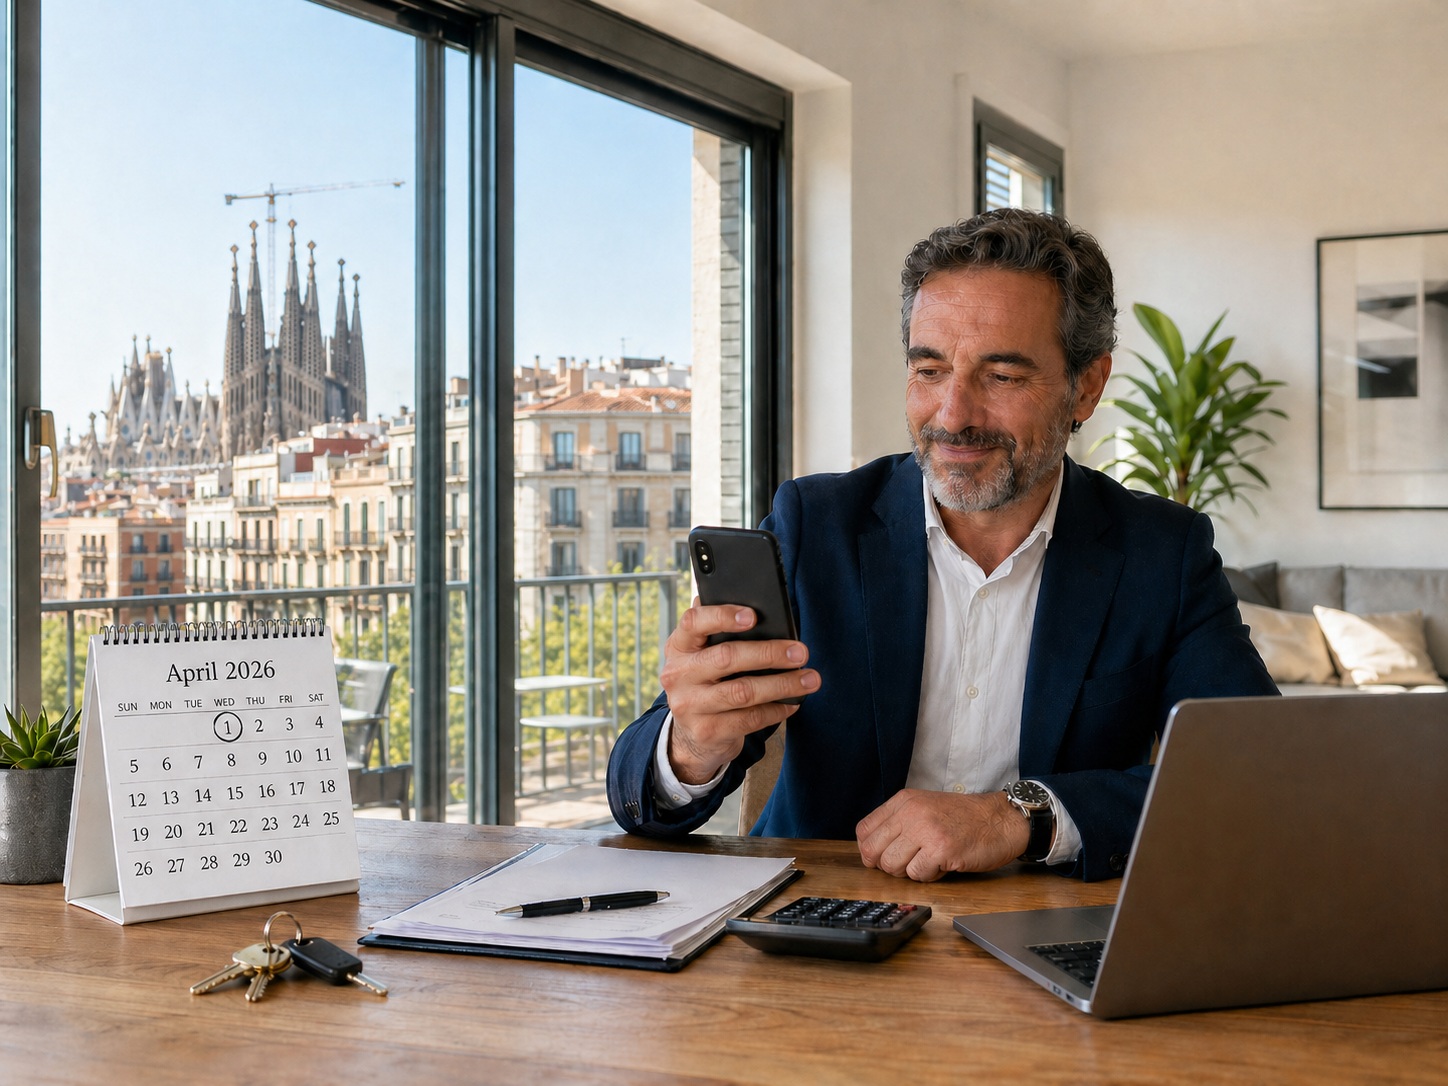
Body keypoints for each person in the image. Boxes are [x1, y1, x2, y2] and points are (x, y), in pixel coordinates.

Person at [606, 208, 1277, 882]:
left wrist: (1022, 817)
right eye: (930, 371)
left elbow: (1256, 774)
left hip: (1043, 929)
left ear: (1088, 386)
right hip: (819, 928)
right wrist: (689, 747)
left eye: (1003, 377)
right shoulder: (817, 525)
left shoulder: (1163, 553)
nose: (953, 415)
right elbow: (643, 799)